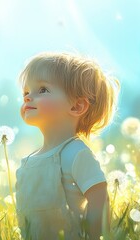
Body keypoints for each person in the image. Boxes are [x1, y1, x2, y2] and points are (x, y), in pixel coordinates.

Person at [15, 52, 120, 239]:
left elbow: (99, 201)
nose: (28, 97)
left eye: (42, 90)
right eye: (26, 92)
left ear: (77, 106)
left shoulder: (76, 153)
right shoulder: (28, 161)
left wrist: (96, 236)